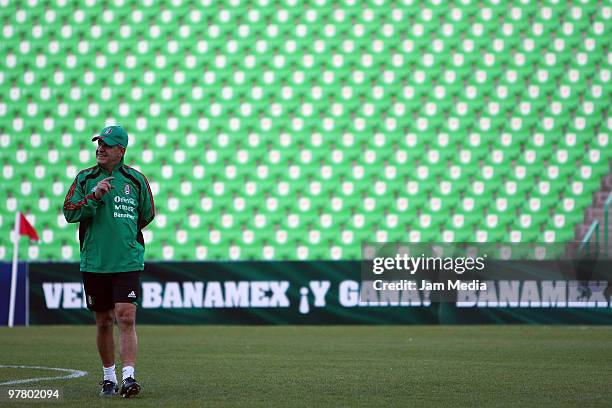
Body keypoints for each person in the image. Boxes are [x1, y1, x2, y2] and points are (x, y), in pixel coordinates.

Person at [63, 125, 155, 398]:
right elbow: (69, 212)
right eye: (99, 143)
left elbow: (147, 214)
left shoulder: (136, 180)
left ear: (121, 150)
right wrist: (95, 197)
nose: (100, 148)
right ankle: (108, 378)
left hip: (126, 259)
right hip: (95, 262)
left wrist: (124, 237)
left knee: (126, 316)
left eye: (107, 144)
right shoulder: (85, 178)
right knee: (103, 321)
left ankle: (129, 377)